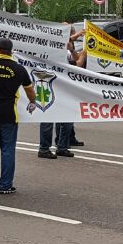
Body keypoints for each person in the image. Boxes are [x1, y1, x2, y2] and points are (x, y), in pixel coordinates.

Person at [0, 38, 37, 194]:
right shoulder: (19, 69)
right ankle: (5, 185)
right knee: (8, 150)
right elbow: (30, 90)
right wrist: (32, 101)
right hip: (8, 114)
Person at [39, 28, 82, 159]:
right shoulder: (45, 48)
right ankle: (44, 149)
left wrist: (72, 49)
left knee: (67, 119)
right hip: (48, 87)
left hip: (64, 89)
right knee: (48, 120)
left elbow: (77, 61)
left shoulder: (66, 49)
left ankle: (62, 147)